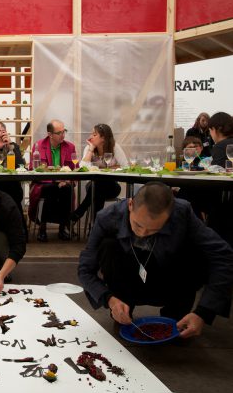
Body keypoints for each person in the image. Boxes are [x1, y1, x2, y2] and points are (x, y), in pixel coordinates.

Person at [78, 181, 233, 338]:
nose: (143, 233)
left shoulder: (182, 211)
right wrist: (109, 299)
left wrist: (203, 312)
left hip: (168, 280)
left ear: (170, 213)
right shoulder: (107, 217)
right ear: (130, 204)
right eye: (137, 225)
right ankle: (122, 307)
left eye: (154, 229)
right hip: (126, 282)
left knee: (194, 250)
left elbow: (223, 255)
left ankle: (176, 313)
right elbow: (85, 269)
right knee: (108, 246)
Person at [28, 119, 77, 241]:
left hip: (64, 184)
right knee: (52, 188)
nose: (63, 135)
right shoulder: (39, 145)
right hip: (43, 185)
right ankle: (43, 227)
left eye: (64, 131)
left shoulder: (70, 147)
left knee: (67, 189)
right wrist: (55, 182)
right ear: (49, 134)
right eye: (59, 132)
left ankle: (62, 228)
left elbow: (75, 169)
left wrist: (66, 181)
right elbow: (32, 169)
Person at [71, 123, 128, 221]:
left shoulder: (114, 147)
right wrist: (91, 149)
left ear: (103, 138)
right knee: (98, 190)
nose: (90, 137)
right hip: (94, 185)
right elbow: (83, 168)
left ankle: (80, 212)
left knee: (97, 188)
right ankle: (95, 227)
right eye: (91, 134)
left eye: (94, 135)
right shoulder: (89, 148)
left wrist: (105, 168)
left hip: (112, 187)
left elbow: (125, 166)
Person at [206, 112, 233, 246]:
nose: (210, 134)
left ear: (216, 129)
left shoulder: (221, 146)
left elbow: (215, 172)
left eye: (210, 130)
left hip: (224, 203)